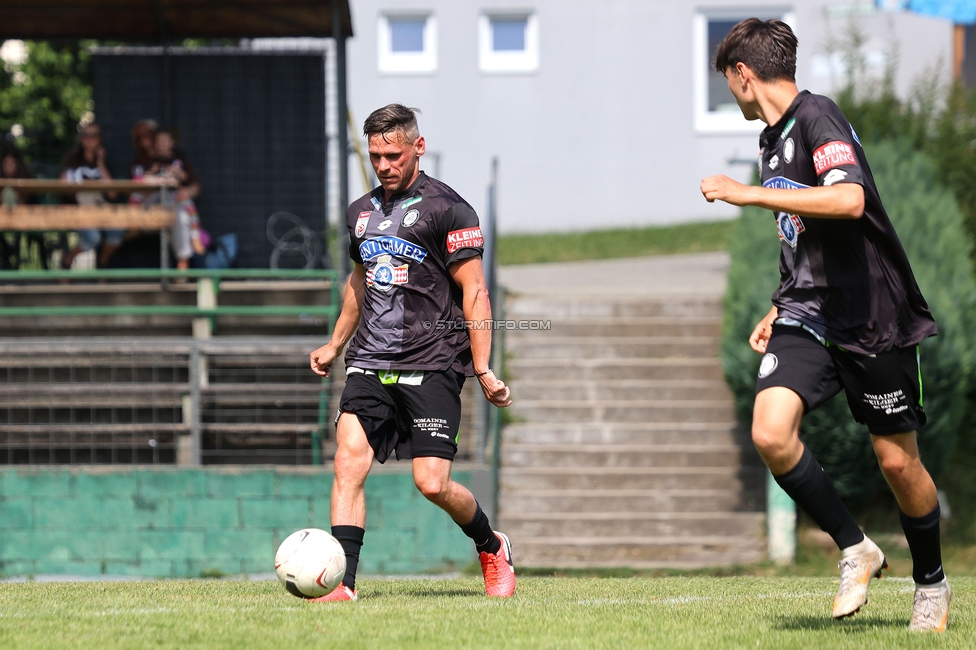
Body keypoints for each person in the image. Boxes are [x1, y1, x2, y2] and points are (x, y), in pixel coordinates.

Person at [700, 19, 949, 632]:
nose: (731, 95)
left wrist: (746, 195)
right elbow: (807, 234)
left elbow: (849, 200)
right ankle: (856, 547)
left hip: (872, 319)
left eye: (728, 83)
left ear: (743, 74)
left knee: (897, 463)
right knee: (770, 432)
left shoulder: (818, 117)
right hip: (809, 315)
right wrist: (780, 302)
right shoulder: (771, 140)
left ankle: (932, 584)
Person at [309, 104, 515, 601]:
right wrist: (336, 343)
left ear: (417, 148)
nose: (383, 165)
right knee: (348, 461)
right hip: (370, 362)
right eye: (376, 155)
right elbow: (359, 281)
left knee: (432, 483)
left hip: (433, 360)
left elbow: (475, 292)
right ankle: (344, 584)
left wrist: (483, 366)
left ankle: (491, 545)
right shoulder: (360, 213)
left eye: (393, 154)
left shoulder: (450, 209)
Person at [59, 123, 122, 269]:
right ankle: (68, 260)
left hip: (100, 209)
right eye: (86, 135)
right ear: (81, 139)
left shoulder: (105, 163)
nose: (89, 139)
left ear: (100, 139)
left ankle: (102, 262)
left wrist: (100, 163)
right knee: (93, 238)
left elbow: (112, 194)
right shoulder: (72, 160)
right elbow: (63, 187)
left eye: (93, 135)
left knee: (117, 230)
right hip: (78, 209)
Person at [145, 128, 204, 270]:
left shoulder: (179, 160)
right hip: (152, 203)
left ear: (171, 143)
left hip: (173, 202)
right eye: (158, 141)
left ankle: (183, 262)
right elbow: (139, 183)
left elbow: (194, 185)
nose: (161, 144)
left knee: (182, 215)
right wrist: (153, 172)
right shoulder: (148, 159)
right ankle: (194, 236)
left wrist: (187, 188)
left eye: (164, 141)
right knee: (178, 208)